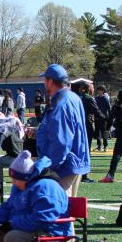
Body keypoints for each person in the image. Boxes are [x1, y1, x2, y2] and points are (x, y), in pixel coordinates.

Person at [35, 64, 91, 196]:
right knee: (68, 204)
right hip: (73, 162)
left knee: (58, 205)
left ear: (50, 82)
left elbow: (61, 141)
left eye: (45, 81)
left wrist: (49, 167)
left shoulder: (61, 103)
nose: (44, 84)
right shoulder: (73, 97)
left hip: (63, 167)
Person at [95, 86, 111, 151]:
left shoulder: (105, 99)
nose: (99, 91)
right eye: (98, 90)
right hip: (96, 118)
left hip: (104, 119)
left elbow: (109, 109)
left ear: (103, 91)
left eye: (100, 90)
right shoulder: (96, 99)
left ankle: (105, 146)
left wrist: (109, 117)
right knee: (97, 133)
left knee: (104, 133)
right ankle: (99, 146)